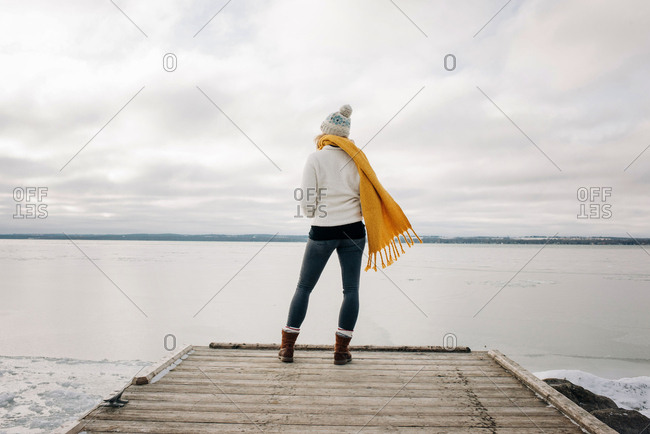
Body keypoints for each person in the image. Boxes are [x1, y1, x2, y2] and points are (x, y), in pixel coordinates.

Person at [279, 104, 420, 365]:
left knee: (304, 287)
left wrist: (321, 211)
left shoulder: (315, 158)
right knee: (351, 290)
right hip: (354, 230)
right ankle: (341, 353)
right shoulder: (358, 159)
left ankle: (287, 349)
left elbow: (308, 206)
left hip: (322, 230)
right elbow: (367, 196)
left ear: (325, 133)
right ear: (345, 135)